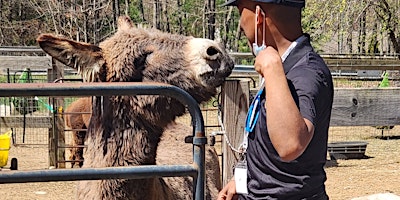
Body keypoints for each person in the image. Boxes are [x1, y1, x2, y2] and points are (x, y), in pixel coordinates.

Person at [217, 0, 334, 199]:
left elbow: (290, 145)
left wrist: (272, 69)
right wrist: (243, 181)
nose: (241, 25)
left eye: (240, 13)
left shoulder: (306, 74)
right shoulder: (287, 65)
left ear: (258, 16)